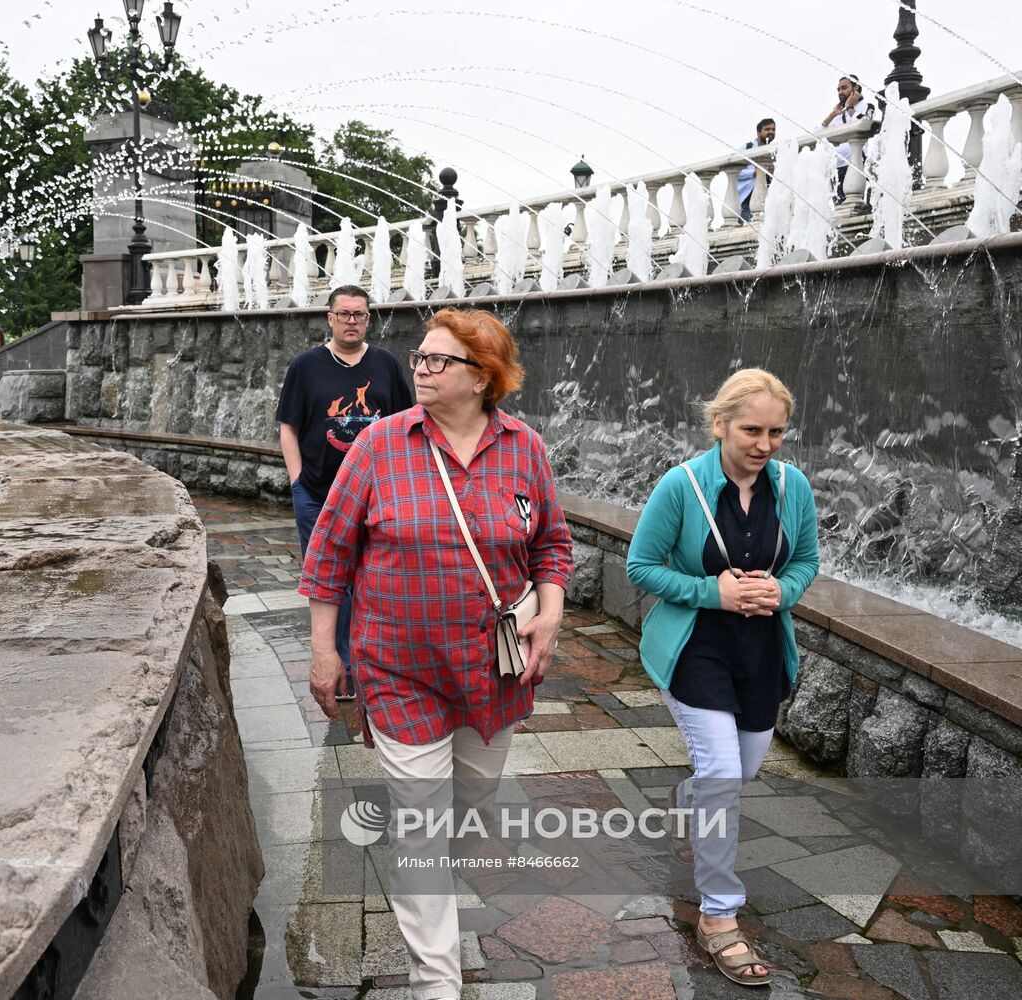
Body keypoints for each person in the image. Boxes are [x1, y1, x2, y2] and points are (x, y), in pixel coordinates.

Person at [299, 307, 573, 1000]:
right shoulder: (380, 447)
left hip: (492, 672)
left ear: (483, 377)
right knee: (424, 826)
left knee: (469, 804)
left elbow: (551, 544)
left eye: (437, 360)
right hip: (400, 671)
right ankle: (435, 980)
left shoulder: (524, 448)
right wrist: (324, 652)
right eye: (419, 357)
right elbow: (330, 553)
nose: (418, 368)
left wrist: (551, 611)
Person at [625, 369, 819, 988]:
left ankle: (692, 804)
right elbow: (641, 566)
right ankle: (718, 917)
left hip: (762, 650)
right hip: (696, 648)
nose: (764, 444)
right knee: (721, 774)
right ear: (719, 425)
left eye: (776, 433)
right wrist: (713, 592)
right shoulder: (680, 486)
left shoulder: (793, 487)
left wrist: (780, 589)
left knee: (740, 771)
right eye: (751, 430)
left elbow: (808, 561)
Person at [277, 284, 414, 699]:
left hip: (375, 495)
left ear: (368, 319)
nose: (351, 320)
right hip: (318, 494)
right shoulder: (307, 366)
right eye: (344, 314)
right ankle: (340, 665)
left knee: (371, 578)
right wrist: (297, 482)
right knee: (328, 582)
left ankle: (367, 660)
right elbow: (289, 427)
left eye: (359, 314)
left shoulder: (386, 365)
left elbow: (406, 423)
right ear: (330, 318)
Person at [822, 74, 875, 203]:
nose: (840, 92)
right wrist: (832, 114)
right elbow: (817, 134)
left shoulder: (867, 106)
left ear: (855, 88)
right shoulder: (838, 112)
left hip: (853, 164)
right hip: (836, 168)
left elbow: (864, 123)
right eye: (838, 89)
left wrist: (850, 107)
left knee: (854, 205)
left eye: (844, 88)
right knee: (839, 209)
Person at [737, 118, 776, 221]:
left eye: (773, 129)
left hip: (767, 198)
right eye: (767, 129)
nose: (771, 132)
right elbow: (736, 172)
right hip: (746, 200)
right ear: (758, 133)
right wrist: (754, 172)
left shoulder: (774, 150)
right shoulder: (747, 148)